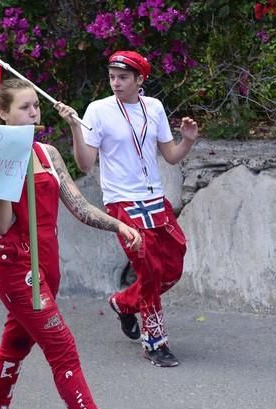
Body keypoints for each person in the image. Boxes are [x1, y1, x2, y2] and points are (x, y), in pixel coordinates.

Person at [0, 78, 141, 409]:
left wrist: (118, 226)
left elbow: (79, 205)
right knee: (63, 348)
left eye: (35, 105)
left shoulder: (47, 153)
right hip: (15, 265)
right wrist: (6, 175)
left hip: (47, 262)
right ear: (4, 113)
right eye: (24, 107)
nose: (33, 112)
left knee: (17, 341)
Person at [72, 50, 199, 368]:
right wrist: (76, 128)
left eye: (123, 78)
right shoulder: (97, 111)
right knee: (150, 270)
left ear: (140, 80)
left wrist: (187, 141)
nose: (115, 83)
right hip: (122, 203)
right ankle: (155, 343)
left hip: (155, 200)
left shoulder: (153, 107)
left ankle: (124, 302)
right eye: (112, 77)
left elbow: (170, 155)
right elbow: (85, 164)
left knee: (173, 264)